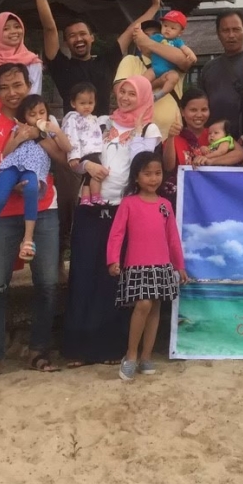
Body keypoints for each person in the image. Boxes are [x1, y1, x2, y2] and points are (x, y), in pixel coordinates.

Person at [0, 63, 62, 380]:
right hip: (2, 213)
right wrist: (9, 187)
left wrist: (39, 133)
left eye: (18, 84)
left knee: (47, 283)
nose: (12, 92)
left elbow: (64, 160)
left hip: (44, 208)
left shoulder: (45, 119)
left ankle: (38, 350)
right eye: (5, 87)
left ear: (28, 85)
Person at [63, 75, 162, 368]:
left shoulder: (149, 128)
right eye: (122, 92)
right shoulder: (101, 122)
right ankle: (79, 348)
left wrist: (138, 132)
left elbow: (143, 168)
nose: (126, 98)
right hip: (90, 207)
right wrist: (87, 166)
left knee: (113, 279)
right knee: (83, 273)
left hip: (123, 211)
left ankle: (109, 347)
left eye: (133, 93)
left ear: (143, 96)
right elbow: (77, 153)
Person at [22, 0, 163, 105]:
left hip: (105, 121)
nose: (78, 39)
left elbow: (131, 30)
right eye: (72, 35)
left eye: (83, 34)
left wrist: (155, 7)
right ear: (66, 42)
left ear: (92, 37)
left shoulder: (106, 62)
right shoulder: (61, 66)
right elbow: (49, 28)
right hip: (72, 121)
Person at [107, 151, 187, 380]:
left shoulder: (165, 205)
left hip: (162, 266)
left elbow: (173, 238)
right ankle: (131, 355)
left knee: (155, 308)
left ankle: (146, 356)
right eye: (147, 174)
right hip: (137, 265)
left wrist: (179, 265)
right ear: (136, 177)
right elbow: (117, 234)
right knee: (143, 304)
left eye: (157, 173)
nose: (153, 178)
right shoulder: (129, 203)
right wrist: (113, 259)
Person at [0, 94, 69, 264]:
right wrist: (20, 137)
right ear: (24, 116)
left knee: (31, 189)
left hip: (33, 169)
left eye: (42, 112)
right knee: (0, 198)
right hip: (11, 166)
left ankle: (28, 239)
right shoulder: (19, 128)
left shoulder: (49, 131)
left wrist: (55, 131)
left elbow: (67, 149)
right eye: (32, 114)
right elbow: (6, 153)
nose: (38, 117)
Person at [199, 7, 243, 137]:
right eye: (225, 30)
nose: (231, 35)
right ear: (218, 33)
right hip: (214, 137)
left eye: (236, 29)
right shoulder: (209, 67)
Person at [161, 89, 212, 200]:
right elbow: (168, 167)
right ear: (182, 112)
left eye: (204, 109)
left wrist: (211, 160)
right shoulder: (175, 138)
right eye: (193, 110)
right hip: (183, 199)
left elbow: (240, 154)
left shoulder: (215, 135)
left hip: (210, 199)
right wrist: (171, 138)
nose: (199, 115)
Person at [62, 83, 105, 203]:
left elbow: (96, 135)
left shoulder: (93, 118)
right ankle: (95, 196)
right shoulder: (73, 119)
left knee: (88, 176)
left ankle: (85, 198)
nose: (87, 106)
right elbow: (71, 136)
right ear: (73, 103)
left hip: (93, 151)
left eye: (90, 103)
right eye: (82, 103)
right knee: (97, 173)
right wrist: (73, 156)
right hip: (83, 152)